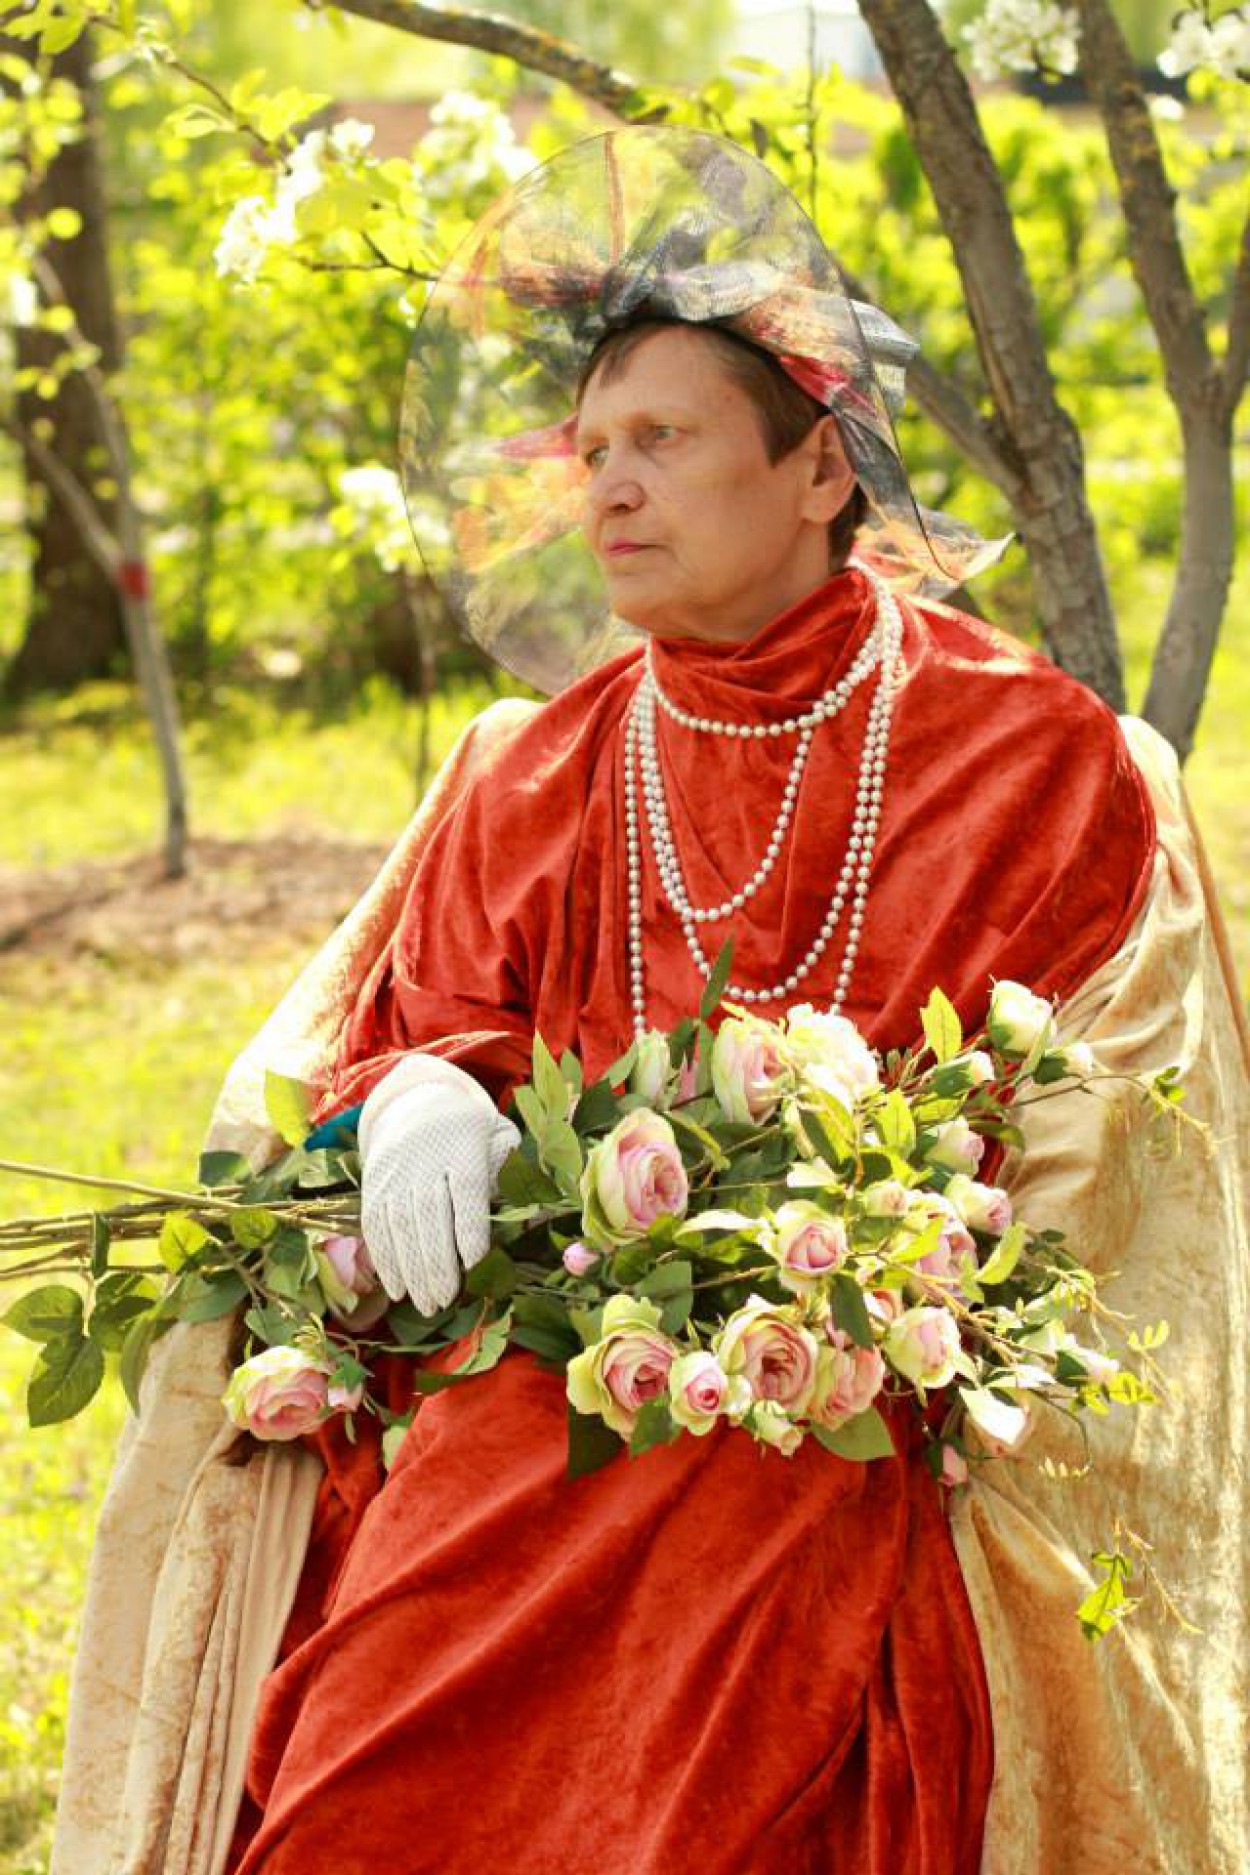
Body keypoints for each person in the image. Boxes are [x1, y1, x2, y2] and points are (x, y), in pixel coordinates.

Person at [51, 130, 1248, 1875]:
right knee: (392, 1683)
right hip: (535, 1376)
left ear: (820, 468)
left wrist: (870, 1279)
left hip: (844, 1399)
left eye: (662, 442)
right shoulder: (533, 767)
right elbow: (428, 1023)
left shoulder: (1026, 755)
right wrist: (419, 1095)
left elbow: (1103, 1141)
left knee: (734, 1549)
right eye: (591, 450)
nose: (605, 489)